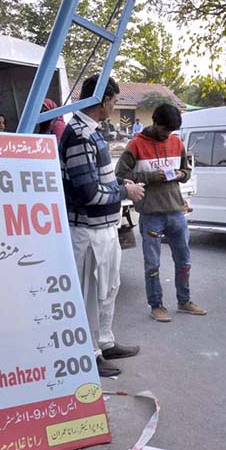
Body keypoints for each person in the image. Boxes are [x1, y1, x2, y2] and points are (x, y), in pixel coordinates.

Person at [59, 74, 146, 378]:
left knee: (107, 288)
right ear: (105, 101)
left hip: (103, 228)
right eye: (113, 100)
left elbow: (100, 180)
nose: (114, 106)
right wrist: (126, 192)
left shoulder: (92, 132)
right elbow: (89, 193)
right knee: (89, 294)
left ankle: (105, 343)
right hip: (87, 231)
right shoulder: (80, 135)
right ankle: (89, 353)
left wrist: (122, 183)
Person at [115, 103, 205, 322]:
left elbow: (186, 171)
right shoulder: (136, 145)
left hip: (176, 211)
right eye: (165, 130)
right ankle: (156, 305)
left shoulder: (177, 142)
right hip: (151, 214)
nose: (168, 135)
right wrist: (150, 178)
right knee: (153, 264)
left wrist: (179, 174)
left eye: (171, 131)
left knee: (184, 260)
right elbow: (120, 175)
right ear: (155, 123)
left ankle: (184, 301)